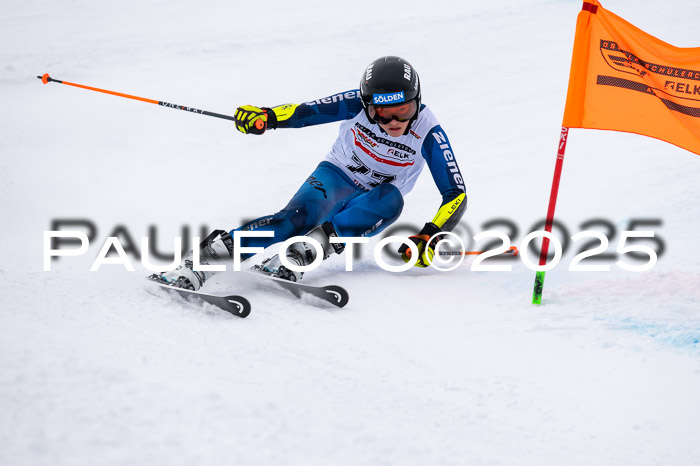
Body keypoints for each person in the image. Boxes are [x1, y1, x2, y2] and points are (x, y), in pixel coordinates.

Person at [150, 56, 467, 290]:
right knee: (294, 219)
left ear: (418, 103)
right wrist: (266, 117)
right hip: (337, 176)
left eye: (405, 110)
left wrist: (429, 234)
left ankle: (302, 254)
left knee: (390, 200)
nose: (395, 121)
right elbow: (306, 112)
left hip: (374, 197)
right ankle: (199, 263)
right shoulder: (354, 103)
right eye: (383, 113)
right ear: (369, 105)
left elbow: (456, 193)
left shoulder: (429, 131)